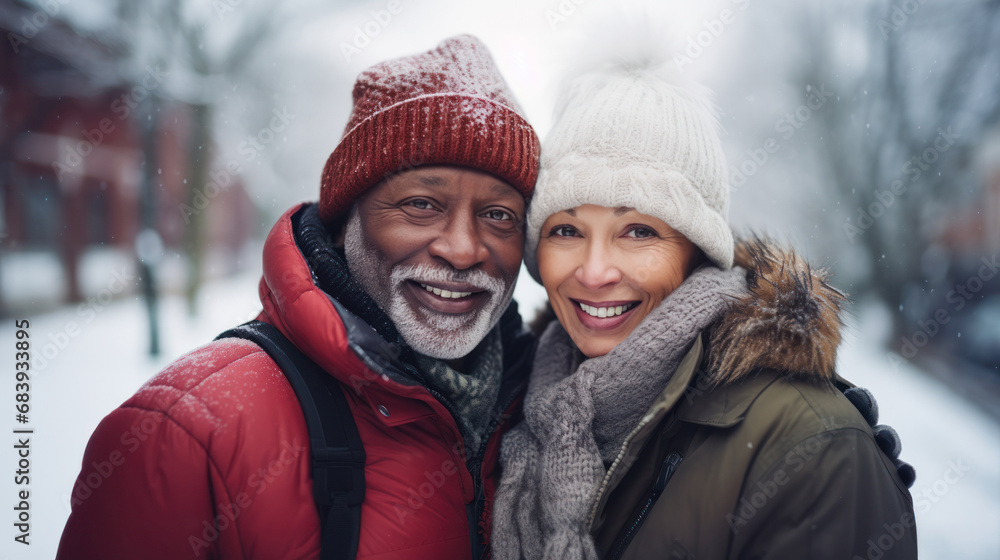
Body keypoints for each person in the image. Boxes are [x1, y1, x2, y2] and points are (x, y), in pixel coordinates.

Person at [56, 35, 541, 560]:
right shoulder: (180, 436)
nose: (464, 249)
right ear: (342, 224)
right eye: (422, 204)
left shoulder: (549, 409)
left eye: (499, 215)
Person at [492, 60, 917, 559]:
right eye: (566, 230)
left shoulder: (813, 451)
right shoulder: (518, 395)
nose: (594, 271)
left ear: (698, 251)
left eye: (639, 231)